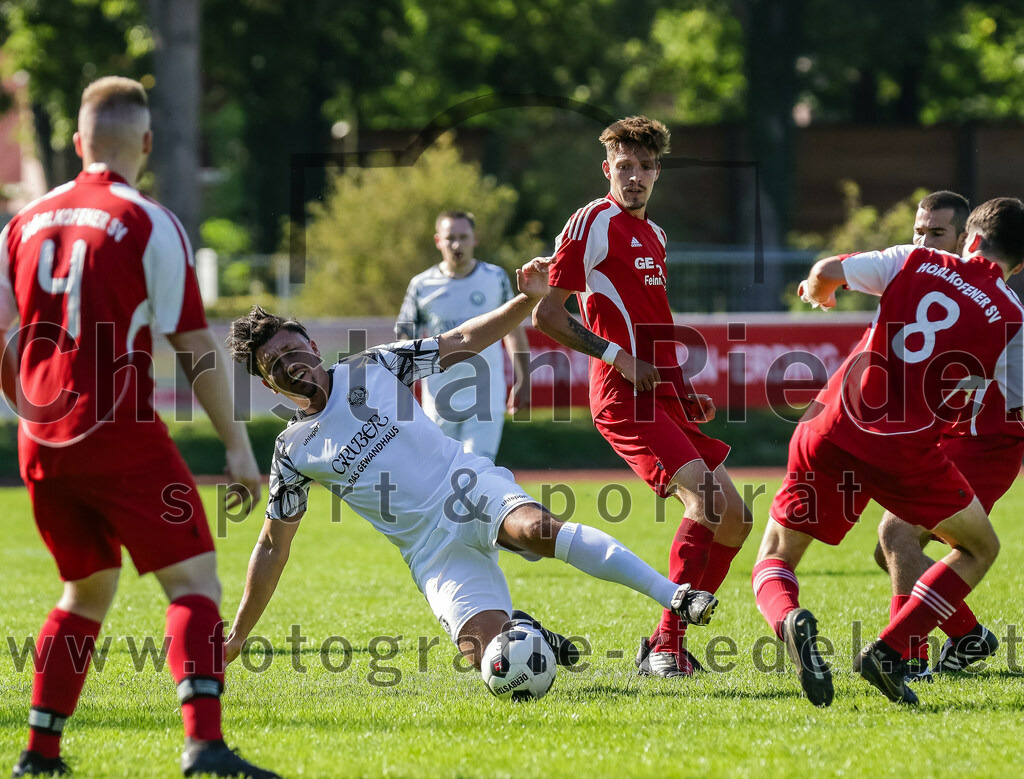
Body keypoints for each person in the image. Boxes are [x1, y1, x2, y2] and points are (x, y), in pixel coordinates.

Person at [221, 258, 718, 685]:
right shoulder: (292, 451)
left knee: (537, 530)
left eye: (292, 349)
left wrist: (527, 300)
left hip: (465, 489)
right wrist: (239, 634)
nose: (290, 364)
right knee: (494, 666)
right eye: (274, 364)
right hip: (430, 552)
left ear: (310, 342)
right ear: (268, 384)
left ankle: (676, 597)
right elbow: (271, 545)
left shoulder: (372, 367)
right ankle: (525, 630)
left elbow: (459, 340)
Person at [0, 77, 278, 778]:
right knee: (195, 582)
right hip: (115, 427)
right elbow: (193, 344)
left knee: (86, 589)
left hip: (40, 438)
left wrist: (30, 407)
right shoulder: (148, 220)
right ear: (147, 144)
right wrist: (240, 448)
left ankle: (40, 752)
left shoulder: (19, 224)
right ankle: (204, 745)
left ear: (76, 142)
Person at [751, 197, 1024, 707]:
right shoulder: (1013, 317)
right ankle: (894, 650)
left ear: (971, 238)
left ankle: (787, 619)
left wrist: (818, 290)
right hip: (906, 453)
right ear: (1022, 263)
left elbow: (828, 271)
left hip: (829, 427)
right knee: (979, 548)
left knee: (777, 556)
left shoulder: (912, 260)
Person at [533, 116, 752, 678]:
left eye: (645, 167)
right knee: (706, 505)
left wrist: (683, 390)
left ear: (659, 171)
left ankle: (663, 643)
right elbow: (549, 315)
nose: (635, 177)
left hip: (660, 393)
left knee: (736, 521)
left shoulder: (655, 236)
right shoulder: (592, 221)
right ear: (606, 169)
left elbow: (655, 327)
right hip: (620, 396)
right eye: (624, 167)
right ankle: (666, 648)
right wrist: (616, 357)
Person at [874, 190, 1017, 678]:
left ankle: (905, 659)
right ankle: (967, 635)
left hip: (986, 446)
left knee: (896, 534)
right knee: (890, 550)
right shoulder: (936, 287)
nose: (924, 243)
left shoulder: (1002, 310)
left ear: (965, 241)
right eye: (919, 232)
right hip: (950, 440)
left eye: (937, 235)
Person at [395, 210, 531, 462]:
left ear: (474, 239)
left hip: (485, 397)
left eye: (463, 236)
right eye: (450, 238)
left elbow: (513, 329)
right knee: (440, 474)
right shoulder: (421, 285)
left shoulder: (495, 278)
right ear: (438, 241)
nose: (457, 244)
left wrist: (523, 377)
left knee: (475, 471)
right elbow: (405, 341)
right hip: (438, 399)